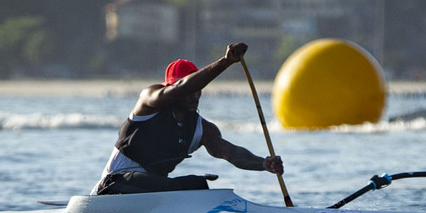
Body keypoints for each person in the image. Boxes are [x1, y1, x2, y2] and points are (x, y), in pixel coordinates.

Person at [92, 42, 284, 195]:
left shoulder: (202, 129)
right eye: (189, 91)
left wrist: (263, 164)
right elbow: (182, 88)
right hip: (114, 186)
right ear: (170, 89)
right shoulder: (149, 101)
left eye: (198, 91)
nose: (194, 96)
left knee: (197, 184)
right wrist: (225, 62)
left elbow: (230, 153)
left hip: (153, 192)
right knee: (173, 186)